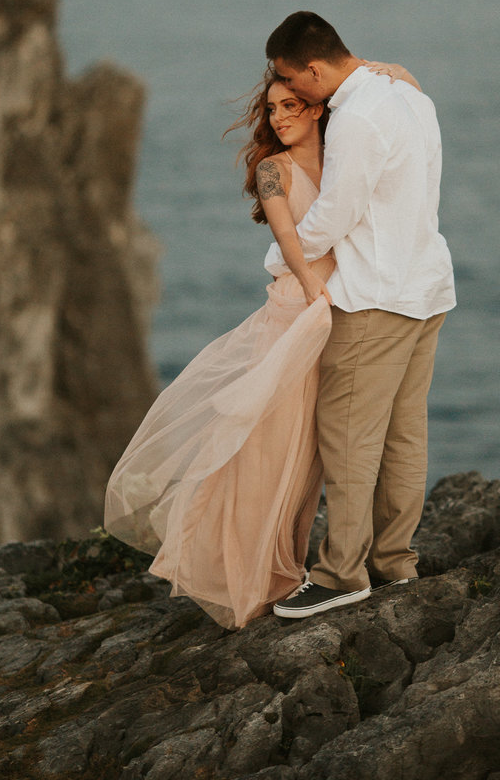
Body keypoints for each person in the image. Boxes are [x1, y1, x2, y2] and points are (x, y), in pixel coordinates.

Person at [104, 69, 334, 629]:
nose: (278, 118)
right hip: (296, 314)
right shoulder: (271, 171)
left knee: (308, 456)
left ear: (318, 108)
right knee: (265, 449)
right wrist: (309, 286)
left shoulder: (344, 162)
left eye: (290, 106)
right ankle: (248, 578)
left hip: (332, 315)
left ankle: (286, 566)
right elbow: (286, 235)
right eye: (273, 109)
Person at [266, 11, 456, 620]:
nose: (290, 91)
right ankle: (395, 563)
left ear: (316, 70)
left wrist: (279, 258)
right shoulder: (406, 95)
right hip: (427, 288)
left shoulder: (356, 119)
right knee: (404, 433)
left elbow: (333, 216)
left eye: (292, 80)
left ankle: (341, 574)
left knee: (348, 436)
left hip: (376, 297)